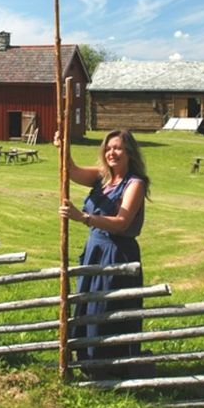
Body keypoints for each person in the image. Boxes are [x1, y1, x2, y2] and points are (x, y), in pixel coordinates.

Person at [57, 129, 150, 376]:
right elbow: (73, 171)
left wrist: (84, 217)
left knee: (109, 308)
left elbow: (122, 222)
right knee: (89, 305)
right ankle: (88, 362)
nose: (112, 153)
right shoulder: (102, 178)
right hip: (95, 250)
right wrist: (63, 148)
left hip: (117, 253)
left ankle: (112, 367)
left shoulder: (135, 184)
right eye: (108, 148)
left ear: (129, 152)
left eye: (118, 148)